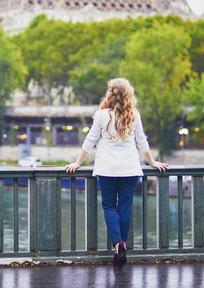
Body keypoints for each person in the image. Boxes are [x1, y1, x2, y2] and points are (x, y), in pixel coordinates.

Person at [65, 78, 169, 267]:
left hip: (107, 169)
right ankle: (123, 244)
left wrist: (77, 162)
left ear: (110, 94)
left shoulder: (101, 115)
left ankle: (117, 244)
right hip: (130, 169)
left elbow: (90, 141)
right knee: (125, 208)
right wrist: (152, 162)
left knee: (109, 207)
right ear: (128, 95)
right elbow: (142, 142)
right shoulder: (134, 115)